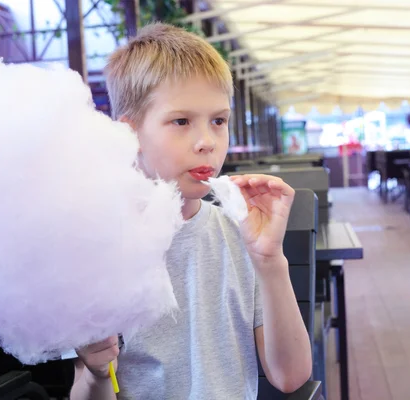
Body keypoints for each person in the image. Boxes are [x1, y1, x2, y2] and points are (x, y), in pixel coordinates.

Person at [68, 22, 311, 400]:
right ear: (129, 135)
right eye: (181, 121)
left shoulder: (239, 232)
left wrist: (269, 261)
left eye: (219, 121)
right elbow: (87, 390)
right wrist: (98, 373)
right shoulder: (98, 247)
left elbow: (291, 377)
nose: (207, 142)